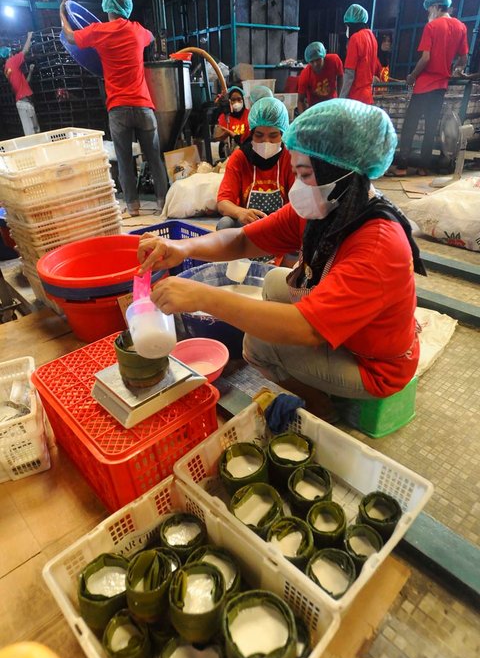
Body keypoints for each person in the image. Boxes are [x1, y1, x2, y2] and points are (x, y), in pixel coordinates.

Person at [137, 99, 426, 414]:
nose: (297, 187)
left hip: (373, 364)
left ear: (340, 174)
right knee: (276, 281)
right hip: (352, 331)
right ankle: (317, 381)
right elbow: (244, 240)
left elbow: (307, 329)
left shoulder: (377, 246)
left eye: (304, 174)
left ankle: (319, 406)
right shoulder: (330, 207)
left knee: (259, 344)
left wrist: (204, 298)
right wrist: (182, 248)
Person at [60, 0, 169, 217]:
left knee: (124, 160)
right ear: (126, 8)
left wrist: (63, 12)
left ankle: (132, 206)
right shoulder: (138, 30)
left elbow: (69, 36)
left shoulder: (98, 31)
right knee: (155, 158)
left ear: (107, 7)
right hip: (143, 106)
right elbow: (151, 37)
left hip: (118, 108)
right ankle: (163, 202)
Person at [393, 0, 469, 176]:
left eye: (429, 10)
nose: (428, 14)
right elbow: (464, 57)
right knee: (430, 127)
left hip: (424, 85)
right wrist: (455, 70)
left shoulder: (432, 26)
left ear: (435, 7)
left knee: (410, 125)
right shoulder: (461, 27)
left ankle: (402, 166)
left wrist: (412, 76)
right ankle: (423, 167)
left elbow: (425, 58)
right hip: (441, 87)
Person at [215, 97, 294, 230]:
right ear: (251, 133)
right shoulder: (240, 158)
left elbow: (298, 204)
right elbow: (223, 202)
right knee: (225, 224)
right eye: (259, 135)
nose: (266, 141)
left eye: (273, 135)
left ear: (284, 134)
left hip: (281, 227)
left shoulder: (290, 157)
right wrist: (240, 212)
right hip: (248, 227)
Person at [1, 34, 40, 136]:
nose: (13, 54)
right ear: (9, 54)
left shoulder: (7, 69)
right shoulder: (11, 61)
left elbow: (24, 84)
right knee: (32, 135)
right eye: (11, 53)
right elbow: (25, 50)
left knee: (35, 133)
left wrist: (30, 71)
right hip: (24, 104)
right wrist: (29, 37)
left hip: (25, 103)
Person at [340, 4, 378, 105]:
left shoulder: (355, 38)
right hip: (368, 96)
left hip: (356, 98)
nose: (347, 29)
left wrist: (340, 100)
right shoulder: (372, 37)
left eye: (347, 26)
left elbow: (349, 74)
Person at [297, 41, 343, 113]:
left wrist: (340, 97)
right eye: (312, 62)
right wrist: (302, 118)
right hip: (315, 108)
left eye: (318, 60)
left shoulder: (334, 60)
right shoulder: (305, 74)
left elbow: (340, 77)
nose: (315, 64)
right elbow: (300, 100)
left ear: (323, 56)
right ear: (308, 62)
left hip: (333, 103)